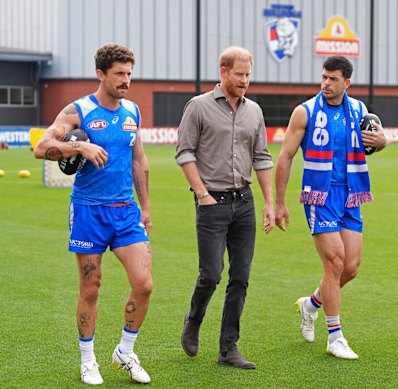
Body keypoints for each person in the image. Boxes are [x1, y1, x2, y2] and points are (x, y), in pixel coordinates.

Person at [34, 44, 153, 384]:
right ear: (101, 74)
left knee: (144, 284)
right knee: (91, 288)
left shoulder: (132, 111)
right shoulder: (78, 110)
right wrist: (78, 146)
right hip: (88, 210)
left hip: (126, 212)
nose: (126, 80)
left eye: (129, 73)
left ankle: (124, 351)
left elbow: (138, 158)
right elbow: (41, 148)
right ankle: (88, 360)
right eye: (119, 73)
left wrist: (145, 207)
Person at [275, 56, 388, 360]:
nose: (326, 83)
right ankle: (335, 336)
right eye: (324, 77)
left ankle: (311, 304)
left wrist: (383, 141)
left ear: (346, 82)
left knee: (350, 268)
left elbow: (371, 144)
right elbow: (285, 156)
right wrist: (280, 202)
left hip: (351, 194)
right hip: (319, 196)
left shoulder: (360, 110)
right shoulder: (305, 112)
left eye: (333, 79)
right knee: (335, 263)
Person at [176, 46, 274, 370]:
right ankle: (194, 319)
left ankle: (228, 348)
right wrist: (202, 193)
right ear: (223, 71)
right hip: (211, 203)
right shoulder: (198, 107)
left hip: (244, 202)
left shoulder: (254, 112)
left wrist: (270, 203)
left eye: (248, 74)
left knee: (241, 277)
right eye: (239, 74)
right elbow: (185, 152)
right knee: (212, 274)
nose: (245, 80)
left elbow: (261, 158)